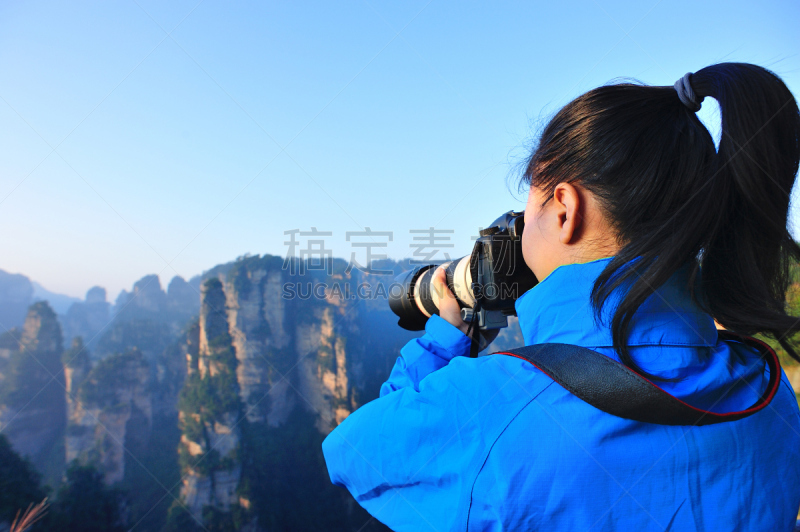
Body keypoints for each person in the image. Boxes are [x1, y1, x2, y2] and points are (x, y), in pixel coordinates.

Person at [322, 63, 800, 531]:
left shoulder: (487, 408)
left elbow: (350, 455)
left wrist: (442, 340)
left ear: (566, 209)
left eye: (526, 210)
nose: (520, 226)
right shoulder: (768, 394)